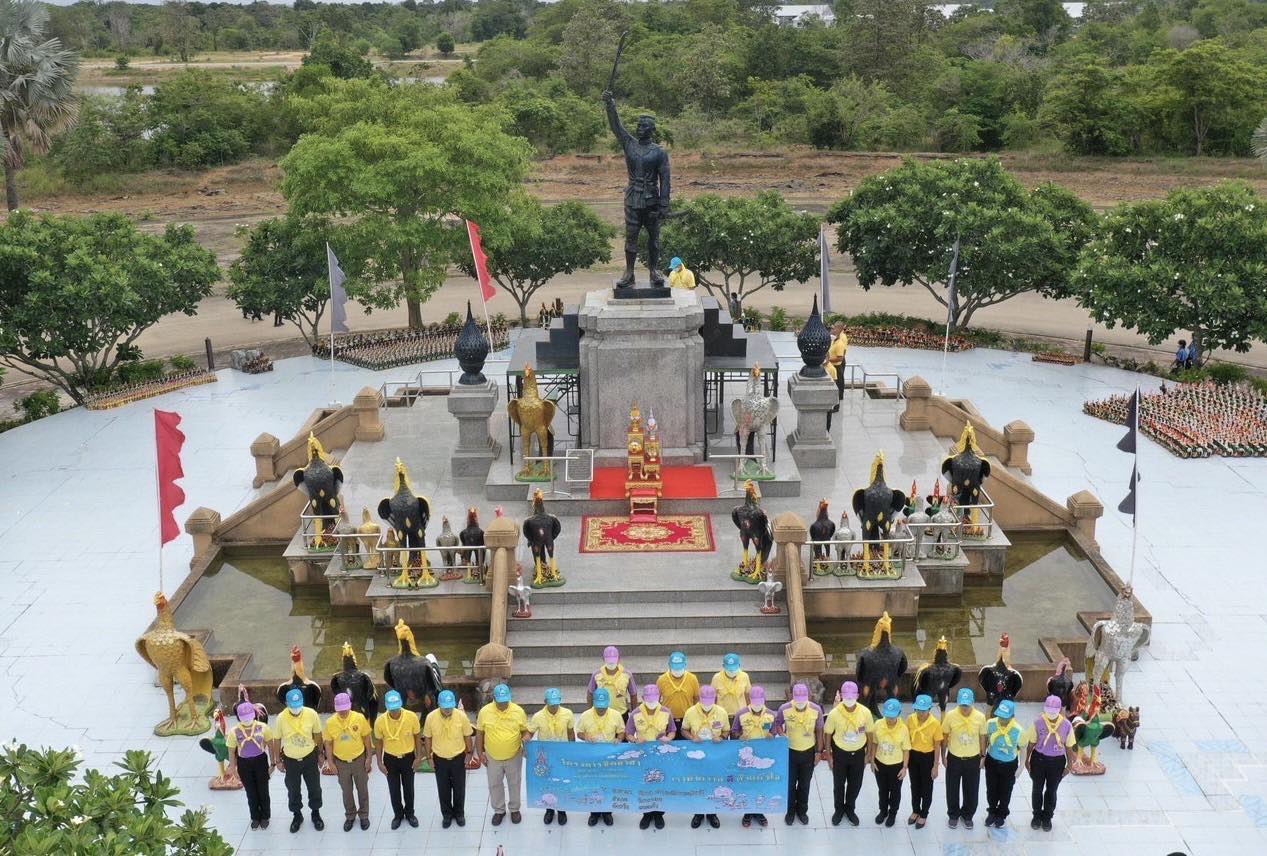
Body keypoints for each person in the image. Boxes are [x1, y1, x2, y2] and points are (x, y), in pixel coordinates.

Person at [601, 89, 671, 287]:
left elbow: (665, 179)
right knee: (630, 237)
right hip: (632, 199)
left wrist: (664, 204)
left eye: (643, 126)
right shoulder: (629, 144)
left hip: (652, 201)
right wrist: (610, 105)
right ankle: (629, 273)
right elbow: (617, 127)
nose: (639, 128)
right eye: (638, 125)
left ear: (651, 129)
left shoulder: (659, 152)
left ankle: (654, 272)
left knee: (654, 240)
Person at [272, 687, 325, 834]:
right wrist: (278, 760)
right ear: (287, 704)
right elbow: (277, 739)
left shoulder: (311, 714)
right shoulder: (281, 718)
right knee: (293, 789)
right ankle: (297, 815)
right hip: (291, 760)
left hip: (309, 757)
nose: (296, 709)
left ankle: (316, 813)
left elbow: (318, 734)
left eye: (298, 705)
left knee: (314, 787)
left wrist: (321, 754)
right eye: (293, 706)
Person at [476, 683, 530, 826]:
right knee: (495, 784)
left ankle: (514, 809)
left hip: (514, 755)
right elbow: (480, 733)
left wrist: (525, 738)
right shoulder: (485, 712)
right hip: (492, 756)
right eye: (500, 702)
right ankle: (499, 810)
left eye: (505, 701)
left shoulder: (518, 711)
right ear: (494, 698)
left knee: (514, 783)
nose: (503, 704)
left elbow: (525, 730)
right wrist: (480, 752)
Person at [1023, 694, 1077, 832]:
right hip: (1039, 759)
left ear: (1059, 710)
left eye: (1054, 711)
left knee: (1052, 790)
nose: (1051, 713)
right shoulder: (1038, 722)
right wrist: (1027, 760)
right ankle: (1036, 815)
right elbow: (1031, 743)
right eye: (1049, 710)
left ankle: (1047, 817)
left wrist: (1069, 765)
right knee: (1037, 789)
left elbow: (1069, 747)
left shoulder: (1066, 725)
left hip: (1057, 762)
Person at [823, 680, 872, 827]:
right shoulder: (834, 713)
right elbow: (828, 734)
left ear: (857, 696)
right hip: (840, 753)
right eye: (846, 697)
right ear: (842, 696)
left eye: (851, 697)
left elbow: (870, 734)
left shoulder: (865, 712)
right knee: (838, 784)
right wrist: (829, 755)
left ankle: (850, 809)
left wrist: (868, 754)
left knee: (855, 784)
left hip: (858, 753)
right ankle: (838, 810)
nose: (849, 701)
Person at [774, 682, 823, 826]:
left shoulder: (816, 710)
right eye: (797, 698)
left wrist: (819, 752)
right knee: (789, 784)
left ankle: (802, 811)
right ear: (792, 696)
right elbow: (777, 724)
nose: (800, 702)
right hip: (790, 751)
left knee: (804, 784)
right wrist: (782, 733)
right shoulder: (784, 708)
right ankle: (790, 811)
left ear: (808, 696)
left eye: (803, 698)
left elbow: (819, 731)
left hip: (808, 751)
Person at [423, 689, 474, 829]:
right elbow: (427, 737)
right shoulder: (430, 717)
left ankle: (459, 813)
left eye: (450, 707)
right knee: (443, 788)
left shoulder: (461, 716)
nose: (447, 710)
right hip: (440, 759)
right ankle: (446, 814)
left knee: (459, 788)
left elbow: (468, 736)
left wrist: (469, 753)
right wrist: (429, 757)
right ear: (439, 704)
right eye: (445, 707)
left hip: (458, 758)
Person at [627, 684, 675, 829]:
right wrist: (635, 740)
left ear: (659, 697)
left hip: (661, 755)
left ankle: (659, 814)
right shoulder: (635, 714)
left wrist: (669, 738)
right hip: (643, 756)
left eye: (655, 698)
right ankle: (646, 814)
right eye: (649, 698)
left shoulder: (666, 712)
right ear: (643, 698)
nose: (652, 701)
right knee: (645, 784)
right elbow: (628, 733)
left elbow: (672, 730)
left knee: (661, 783)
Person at [323, 692, 372, 832]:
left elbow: (367, 738)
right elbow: (328, 743)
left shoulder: (359, 718)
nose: (343, 712)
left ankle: (364, 815)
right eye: (340, 709)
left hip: (359, 760)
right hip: (341, 762)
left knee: (362, 789)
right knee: (346, 791)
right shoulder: (330, 722)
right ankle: (350, 816)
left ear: (349, 706)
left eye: (345, 708)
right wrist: (331, 763)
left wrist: (369, 758)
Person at [682, 685, 730, 829]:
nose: (707, 703)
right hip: (696, 755)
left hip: (715, 754)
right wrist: (691, 737)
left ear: (714, 698)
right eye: (705, 700)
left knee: (713, 782)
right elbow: (683, 730)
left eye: (710, 700)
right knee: (697, 782)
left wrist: (721, 737)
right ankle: (698, 813)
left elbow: (727, 731)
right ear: (700, 699)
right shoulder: (690, 712)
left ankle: (712, 813)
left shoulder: (721, 712)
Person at [374, 689, 422, 830]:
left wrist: (418, 757)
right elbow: (378, 742)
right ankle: (398, 815)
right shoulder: (380, 721)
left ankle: (410, 814)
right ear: (387, 707)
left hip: (408, 757)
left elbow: (417, 737)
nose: (395, 712)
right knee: (394, 789)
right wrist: (379, 762)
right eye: (392, 710)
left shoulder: (411, 717)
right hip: (390, 759)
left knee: (409, 788)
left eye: (397, 709)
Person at [577, 687, 625, 827]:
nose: (601, 710)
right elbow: (579, 732)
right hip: (591, 756)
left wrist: (619, 739)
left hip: (609, 756)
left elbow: (621, 732)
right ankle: (594, 813)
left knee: (608, 784)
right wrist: (585, 736)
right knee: (593, 784)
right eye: (598, 708)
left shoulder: (616, 715)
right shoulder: (585, 715)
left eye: (603, 708)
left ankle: (607, 812)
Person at [941, 687, 987, 829]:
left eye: (967, 705)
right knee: (952, 788)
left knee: (971, 789)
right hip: (954, 757)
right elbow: (945, 736)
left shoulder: (980, 717)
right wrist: (943, 756)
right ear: (958, 703)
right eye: (962, 705)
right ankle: (953, 814)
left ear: (972, 702)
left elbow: (982, 737)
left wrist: (983, 756)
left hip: (973, 758)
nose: (965, 708)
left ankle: (968, 815)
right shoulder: (950, 715)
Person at [528, 688, 575, 826]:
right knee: (547, 783)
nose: (554, 707)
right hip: (546, 757)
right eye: (551, 704)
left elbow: (571, 733)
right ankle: (549, 810)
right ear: (545, 702)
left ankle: (562, 810)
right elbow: (530, 733)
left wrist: (573, 750)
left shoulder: (568, 713)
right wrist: (526, 740)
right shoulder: (537, 716)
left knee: (561, 782)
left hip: (562, 755)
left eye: (556, 703)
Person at [226, 701, 274, 830]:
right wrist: (232, 767)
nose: (247, 720)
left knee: (263, 791)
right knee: (251, 793)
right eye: (244, 718)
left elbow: (270, 744)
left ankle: (265, 816)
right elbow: (231, 750)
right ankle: (255, 817)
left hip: (260, 760)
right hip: (244, 763)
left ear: (254, 715)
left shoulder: (263, 727)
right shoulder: (234, 731)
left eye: (249, 717)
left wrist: (273, 763)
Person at [732, 685, 775, 828]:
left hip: (763, 757)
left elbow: (776, 731)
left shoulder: (771, 714)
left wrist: (772, 735)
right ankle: (747, 813)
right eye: (754, 701)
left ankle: (760, 812)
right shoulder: (741, 714)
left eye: (760, 701)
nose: (757, 704)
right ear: (749, 699)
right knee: (747, 784)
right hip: (747, 757)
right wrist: (739, 736)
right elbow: (733, 732)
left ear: (764, 699)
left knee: (762, 784)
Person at [869, 698, 910, 828]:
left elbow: (906, 750)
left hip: (896, 765)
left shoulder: (903, 729)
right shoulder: (878, 725)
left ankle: (892, 813)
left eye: (893, 717)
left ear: (898, 714)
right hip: (880, 763)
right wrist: (872, 760)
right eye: (887, 716)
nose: (890, 719)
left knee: (895, 791)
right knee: (882, 790)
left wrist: (904, 767)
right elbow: (875, 743)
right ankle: (883, 811)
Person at [984, 698, 1024, 828]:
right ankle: (992, 811)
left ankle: (1002, 814)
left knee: (1005, 790)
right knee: (991, 789)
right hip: (992, 761)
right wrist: (982, 756)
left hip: (1009, 764)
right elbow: (985, 740)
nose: (1002, 720)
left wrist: (1021, 766)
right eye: (1000, 716)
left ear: (1012, 716)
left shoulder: (1018, 730)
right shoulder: (990, 723)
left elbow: (1023, 748)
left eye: (1005, 717)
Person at [905, 693, 943, 830]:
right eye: (918, 709)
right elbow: (907, 739)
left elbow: (937, 746)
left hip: (928, 757)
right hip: (913, 756)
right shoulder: (910, 719)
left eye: (923, 710)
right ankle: (915, 810)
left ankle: (924, 813)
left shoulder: (935, 723)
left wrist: (935, 766)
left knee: (926, 787)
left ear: (929, 709)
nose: (920, 713)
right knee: (914, 785)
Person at [656, 651, 700, 739]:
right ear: (669, 665)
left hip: (687, 720)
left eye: (679, 667)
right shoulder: (662, 680)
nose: (677, 670)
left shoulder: (692, 679)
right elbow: (656, 700)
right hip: (668, 720)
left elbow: (697, 699)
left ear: (685, 664)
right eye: (675, 667)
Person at [588, 645, 637, 719]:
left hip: (622, 714)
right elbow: (590, 693)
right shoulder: (597, 675)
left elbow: (633, 694)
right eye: (609, 661)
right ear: (603, 659)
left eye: (613, 660)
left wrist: (634, 715)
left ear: (619, 659)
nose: (611, 664)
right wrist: (591, 712)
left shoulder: (627, 675)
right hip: (602, 713)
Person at [711, 652, 751, 718]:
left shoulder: (744, 676)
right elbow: (712, 697)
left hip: (740, 716)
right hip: (722, 716)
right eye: (729, 669)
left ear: (739, 665)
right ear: (723, 666)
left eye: (734, 668)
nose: (732, 671)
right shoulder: (717, 678)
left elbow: (748, 695)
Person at [826, 321, 848, 409]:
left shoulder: (841, 339)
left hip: (837, 363)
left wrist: (828, 359)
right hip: (833, 363)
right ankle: (838, 399)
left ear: (839, 329)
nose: (832, 329)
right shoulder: (835, 340)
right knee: (837, 383)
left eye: (834, 328)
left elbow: (841, 355)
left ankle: (838, 401)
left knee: (838, 383)